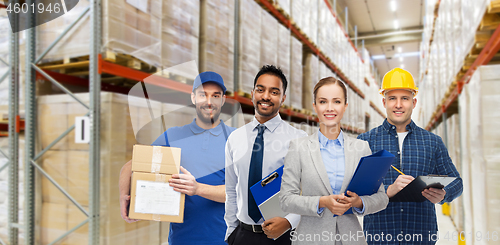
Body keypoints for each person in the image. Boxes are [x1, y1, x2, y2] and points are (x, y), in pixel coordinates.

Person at [119, 71, 236, 245]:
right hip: (182, 239)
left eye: (215, 95)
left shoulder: (235, 139)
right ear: (193, 97)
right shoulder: (173, 137)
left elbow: (238, 192)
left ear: (223, 100)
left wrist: (197, 188)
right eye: (203, 94)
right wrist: (124, 197)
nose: (209, 101)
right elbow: (130, 167)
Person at [358, 68, 463, 244]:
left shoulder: (432, 142)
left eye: (404, 98)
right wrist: (387, 191)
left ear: (414, 102)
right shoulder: (365, 142)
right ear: (384, 102)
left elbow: (456, 182)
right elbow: (356, 192)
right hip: (380, 237)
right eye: (392, 98)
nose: (398, 105)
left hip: (421, 236)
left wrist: (444, 194)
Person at [279, 77, 389, 244]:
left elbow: (381, 198)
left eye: (336, 101)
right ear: (314, 106)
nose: (330, 108)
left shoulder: (361, 148)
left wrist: (359, 202)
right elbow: (286, 199)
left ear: (345, 106)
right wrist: (321, 202)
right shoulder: (298, 147)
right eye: (323, 101)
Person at [224, 65, 308, 245]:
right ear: (253, 92)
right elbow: (231, 189)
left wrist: (288, 222)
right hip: (242, 235)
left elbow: (310, 192)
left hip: (283, 236)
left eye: (274, 92)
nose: (266, 97)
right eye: (260, 90)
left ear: (283, 98)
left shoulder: (299, 139)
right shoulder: (235, 138)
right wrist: (231, 232)